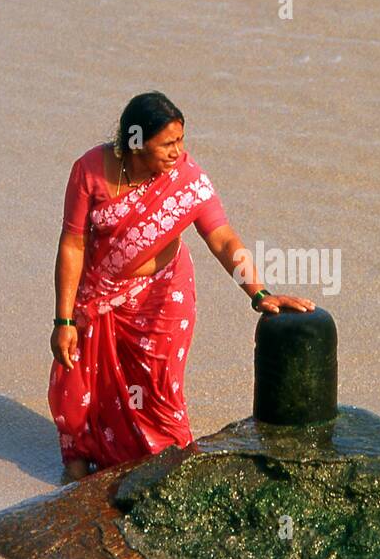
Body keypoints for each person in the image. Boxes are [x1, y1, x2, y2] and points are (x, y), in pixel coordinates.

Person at [49, 91, 315, 482]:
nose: (178, 152)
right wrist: (64, 319)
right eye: (168, 144)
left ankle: (167, 466)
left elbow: (223, 239)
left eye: (181, 140)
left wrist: (258, 292)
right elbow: (72, 244)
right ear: (136, 144)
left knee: (158, 386)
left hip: (162, 296)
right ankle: (83, 459)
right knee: (83, 383)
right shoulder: (90, 171)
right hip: (99, 294)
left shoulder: (186, 179)